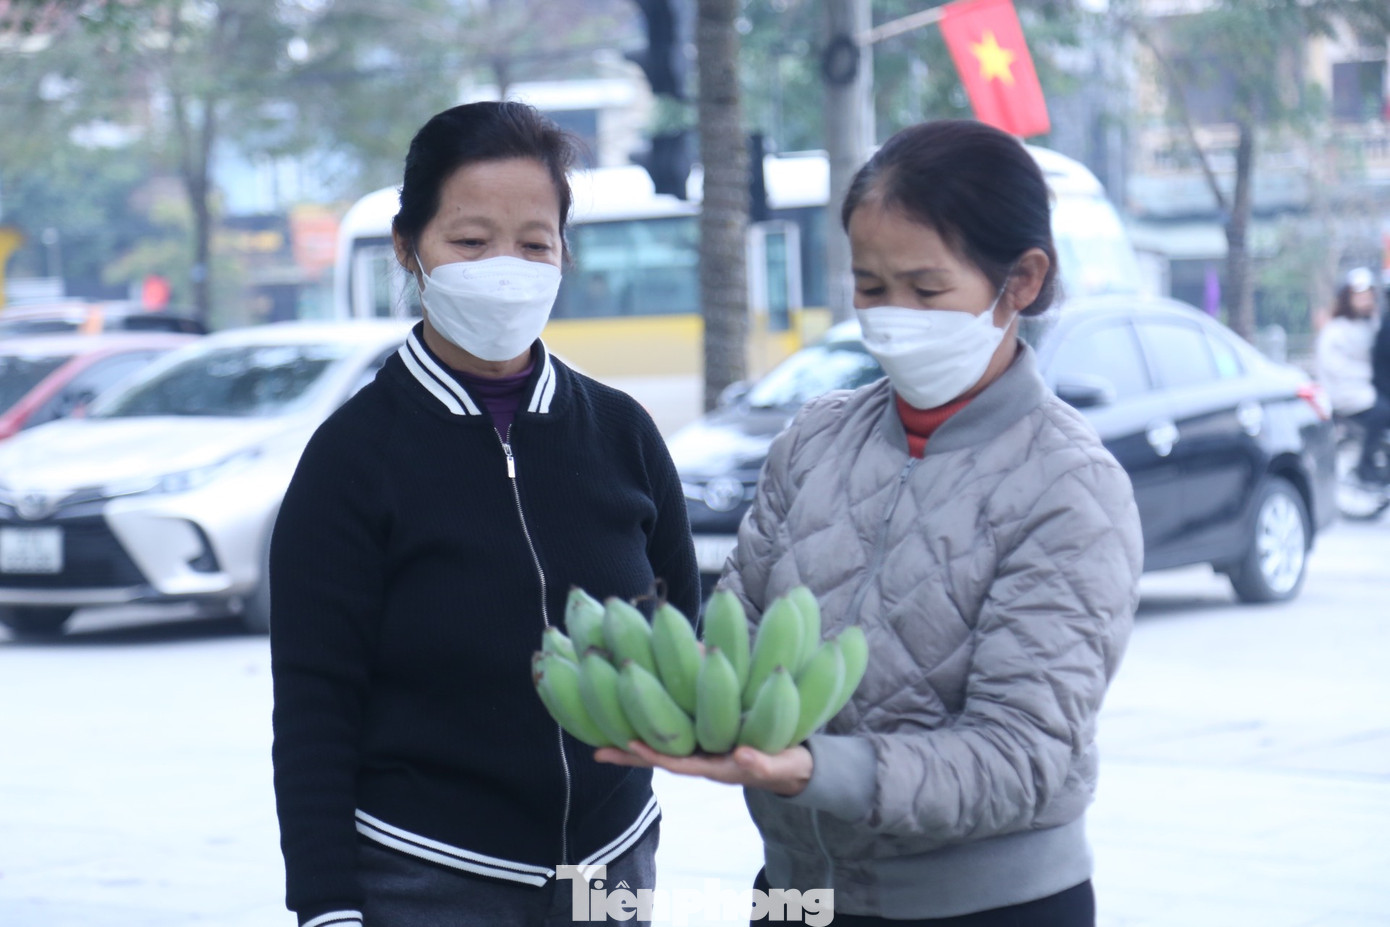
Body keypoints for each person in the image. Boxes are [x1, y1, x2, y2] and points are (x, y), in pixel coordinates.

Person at [598, 120, 1143, 926]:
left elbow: (1018, 755)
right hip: (796, 896)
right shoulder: (813, 437)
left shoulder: (1070, 485)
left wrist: (813, 768)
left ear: (1021, 281)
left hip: (987, 908)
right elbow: (740, 640)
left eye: (925, 290)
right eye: (869, 286)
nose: (893, 315)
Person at [269, 101, 699, 927]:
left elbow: (681, 632)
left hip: (610, 872)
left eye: (534, 242)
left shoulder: (623, 433)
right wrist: (325, 907)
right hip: (426, 875)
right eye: (470, 241)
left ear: (563, 253)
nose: (506, 265)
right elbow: (316, 705)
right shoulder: (353, 457)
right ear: (409, 248)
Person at [1316, 267, 1385, 483]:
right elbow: (1333, 368)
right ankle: (1365, 466)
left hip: (1366, 389)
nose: (1365, 302)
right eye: (1360, 297)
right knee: (1383, 413)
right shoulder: (1335, 331)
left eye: (1368, 297)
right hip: (1346, 394)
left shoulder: (1371, 325)